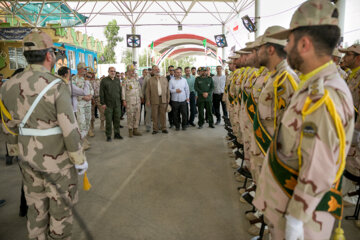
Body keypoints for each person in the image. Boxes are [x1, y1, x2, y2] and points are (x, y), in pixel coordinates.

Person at [253, 1, 354, 239]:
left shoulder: (325, 96)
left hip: (304, 215)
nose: (286, 48)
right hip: (289, 201)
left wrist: (296, 219)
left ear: (304, 43)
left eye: (289, 41)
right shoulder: (312, 86)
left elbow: (319, 167)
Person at [0, 29, 87, 239]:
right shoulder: (57, 85)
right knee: (60, 211)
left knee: (35, 208)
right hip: (57, 162)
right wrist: (79, 158)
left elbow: (7, 124)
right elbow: (68, 127)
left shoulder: (8, 85)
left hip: (27, 158)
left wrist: (14, 149)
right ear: (49, 55)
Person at [72, 63, 93, 150]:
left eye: (85, 69)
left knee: (88, 121)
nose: (85, 70)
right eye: (84, 69)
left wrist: (90, 96)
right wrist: (84, 97)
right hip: (80, 104)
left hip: (88, 104)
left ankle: (84, 139)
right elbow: (73, 91)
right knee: (81, 123)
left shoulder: (86, 79)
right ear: (79, 69)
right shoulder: (74, 79)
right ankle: (82, 142)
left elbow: (91, 89)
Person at [100, 66, 123, 141]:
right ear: (108, 71)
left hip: (117, 104)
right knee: (109, 121)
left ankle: (117, 134)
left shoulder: (117, 80)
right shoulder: (104, 81)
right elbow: (101, 92)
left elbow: (120, 91)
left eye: (114, 71)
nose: (113, 72)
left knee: (117, 120)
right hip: (108, 104)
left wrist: (121, 101)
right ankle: (108, 135)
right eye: (111, 71)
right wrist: (103, 103)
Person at [146, 65, 170, 134]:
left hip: (163, 99)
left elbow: (168, 89)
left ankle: (164, 128)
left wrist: (168, 98)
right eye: (155, 69)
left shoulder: (164, 78)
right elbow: (148, 91)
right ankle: (155, 129)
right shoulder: (150, 80)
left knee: (163, 115)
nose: (157, 70)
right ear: (153, 71)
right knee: (154, 115)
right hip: (154, 100)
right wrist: (148, 100)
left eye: (158, 69)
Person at [122, 64, 143, 137]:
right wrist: (124, 100)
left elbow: (139, 89)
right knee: (130, 116)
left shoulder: (136, 79)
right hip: (130, 101)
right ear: (128, 71)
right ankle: (130, 130)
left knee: (137, 115)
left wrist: (141, 97)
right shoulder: (125, 80)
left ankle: (135, 129)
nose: (133, 72)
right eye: (132, 71)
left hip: (137, 101)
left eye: (134, 70)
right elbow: (123, 91)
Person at [89, 68, 105, 134]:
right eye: (91, 73)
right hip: (91, 99)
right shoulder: (87, 81)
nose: (92, 74)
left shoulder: (99, 80)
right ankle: (91, 127)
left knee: (102, 112)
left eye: (93, 73)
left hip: (99, 97)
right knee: (91, 113)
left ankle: (102, 125)